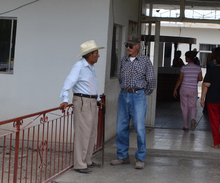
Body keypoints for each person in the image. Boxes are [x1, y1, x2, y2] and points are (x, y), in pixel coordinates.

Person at [110, 36, 156, 170]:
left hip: (138, 96)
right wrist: (126, 90)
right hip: (124, 95)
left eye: (131, 46)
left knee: (140, 128)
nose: (128, 48)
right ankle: (122, 156)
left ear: (138, 46)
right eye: (127, 45)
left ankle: (140, 158)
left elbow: (151, 80)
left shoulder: (145, 61)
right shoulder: (123, 60)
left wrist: (143, 92)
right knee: (121, 127)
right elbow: (120, 77)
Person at [59, 40, 104, 174]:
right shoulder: (79, 66)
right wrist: (65, 99)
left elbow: (92, 86)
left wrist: (98, 99)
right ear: (89, 55)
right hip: (83, 101)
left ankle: (87, 160)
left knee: (91, 133)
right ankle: (79, 164)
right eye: (96, 53)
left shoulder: (90, 68)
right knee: (82, 133)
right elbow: (67, 84)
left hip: (91, 101)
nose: (98, 55)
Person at [173, 49, 203, 131]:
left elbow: (180, 79)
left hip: (184, 89)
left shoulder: (184, 68)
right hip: (193, 89)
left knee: (184, 108)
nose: (185, 58)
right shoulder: (198, 68)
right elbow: (200, 79)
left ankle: (186, 126)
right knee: (193, 106)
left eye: (186, 57)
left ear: (189, 58)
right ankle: (193, 119)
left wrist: (175, 89)